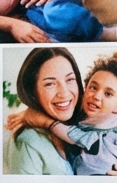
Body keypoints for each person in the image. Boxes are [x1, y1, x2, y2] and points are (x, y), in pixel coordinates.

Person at [49, 51, 117, 176]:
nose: (96, 96)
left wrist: (48, 123)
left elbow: (74, 136)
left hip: (103, 178)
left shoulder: (106, 124)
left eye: (108, 94)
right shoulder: (86, 114)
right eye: (93, 87)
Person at [5, 45, 85, 176]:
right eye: (50, 84)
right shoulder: (28, 142)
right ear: (32, 92)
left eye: (70, 79)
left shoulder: (84, 122)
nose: (64, 93)